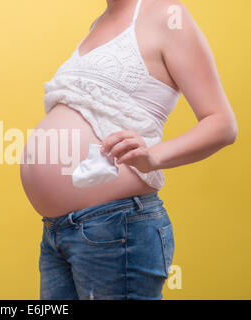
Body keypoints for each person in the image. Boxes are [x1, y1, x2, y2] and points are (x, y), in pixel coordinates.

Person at [19, 0, 238, 300]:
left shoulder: (167, 14)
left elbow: (222, 123)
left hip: (116, 226)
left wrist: (154, 156)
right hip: (58, 232)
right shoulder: (97, 24)